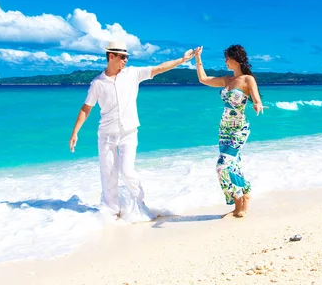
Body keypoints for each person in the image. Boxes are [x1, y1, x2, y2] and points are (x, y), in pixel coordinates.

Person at [69, 41, 195, 220]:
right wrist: (75, 132)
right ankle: (112, 214)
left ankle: (141, 204)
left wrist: (182, 60)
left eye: (127, 57)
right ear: (111, 56)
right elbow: (86, 108)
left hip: (129, 132)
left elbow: (159, 68)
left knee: (127, 171)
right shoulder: (98, 83)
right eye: (122, 57)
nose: (125, 60)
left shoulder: (133, 74)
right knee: (108, 175)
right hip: (106, 135)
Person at [193, 44, 263, 217]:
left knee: (222, 165)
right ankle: (242, 199)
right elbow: (203, 79)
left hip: (239, 129)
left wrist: (257, 103)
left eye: (227, 58)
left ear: (235, 59)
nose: (225, 61)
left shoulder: (248, 79)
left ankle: (241, 197)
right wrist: (197, 57)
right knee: (234, 166)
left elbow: (255, 96)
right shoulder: (226, 80)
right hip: (224, 130)